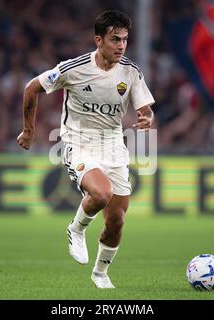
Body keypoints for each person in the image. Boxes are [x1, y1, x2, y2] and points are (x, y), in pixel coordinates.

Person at [17, 10, 155, 289]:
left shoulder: (130, 71)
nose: (121, 46)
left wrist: (146, 117)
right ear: (98, 40)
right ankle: (76, 229)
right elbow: (32, 88)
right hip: (78, 142)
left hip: (114, 145)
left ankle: (100, 274)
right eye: (115, 39)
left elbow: (145, 108)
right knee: (101, 194)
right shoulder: (73, 68)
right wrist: (29, 131)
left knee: (116, 219)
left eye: (125, 40)